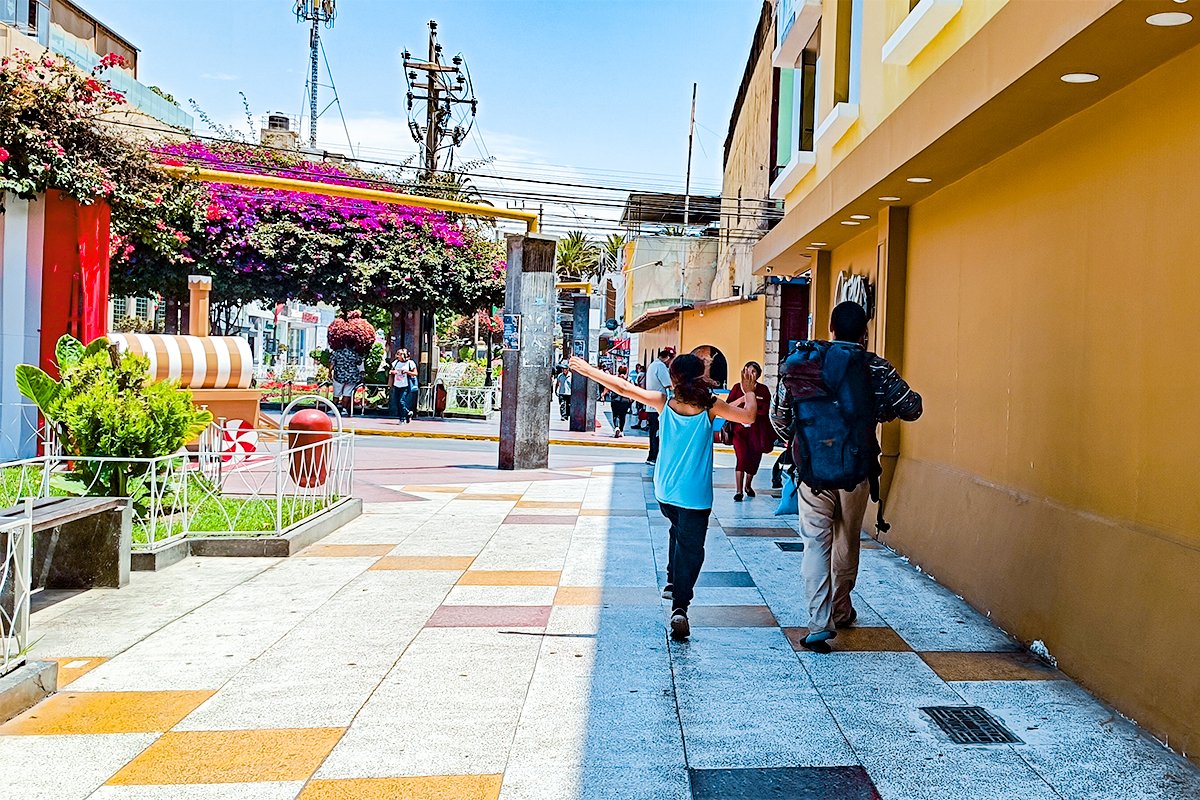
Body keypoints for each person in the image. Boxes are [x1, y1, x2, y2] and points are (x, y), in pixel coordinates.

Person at [569, 352, 757, 641]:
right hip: (695, 496)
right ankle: (680, 606)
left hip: (665, 492)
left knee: (677, 528)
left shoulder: (664, 401)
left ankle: (671, 579)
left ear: (673, 378)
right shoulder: (711, 406)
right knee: (691, 550)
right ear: (701, 376)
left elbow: (624, 388)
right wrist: (749, 392)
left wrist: (587, 370)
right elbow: (748, 417)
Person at [771, 301, 923, 653]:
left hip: (812, 472)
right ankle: (841, 608)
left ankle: (819, 622)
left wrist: (806, 442)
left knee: (815, 543)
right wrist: (876, 411)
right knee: (846, 541)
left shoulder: (803, 365)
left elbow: (780, 418)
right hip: (856, 471)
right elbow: (912, 408)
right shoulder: (876, 368)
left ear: (831, 328)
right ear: (865, 333)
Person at [726, 361, 773, 501]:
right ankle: (739, 490)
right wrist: (742, 399)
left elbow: (767, 409)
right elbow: (728, 406)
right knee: (741, 458)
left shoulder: (763, 390)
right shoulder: (737, 388)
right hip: (739, 431)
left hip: (756, 432)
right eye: (748, 371)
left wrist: (753, 403)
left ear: (758, 375)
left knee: (754, 459)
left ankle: (748, 485)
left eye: (754, 372)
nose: (750, 374)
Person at [643, 348, 674, 464]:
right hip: (659, 407)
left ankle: (652, 456)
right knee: (658, 433)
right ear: (667, 358)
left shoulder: (652, 365)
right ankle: (655, 457)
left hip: (651, 405)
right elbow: (669, 385)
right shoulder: (660, 366)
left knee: (653, 432)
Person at [329, 346, 363, 415]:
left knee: (336, 394)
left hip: (339, 376)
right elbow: (359, 362)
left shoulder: (337, 352)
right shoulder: (355, 353)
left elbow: (332, 363)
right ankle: (344, 410)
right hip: (352, 376)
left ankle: (333, 409)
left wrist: (329, 372)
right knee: (347, 393)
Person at [390, 348, 417, 424]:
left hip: (405, 385)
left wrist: (407, 372)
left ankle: (402, 418)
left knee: (401, 401)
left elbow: (415, 373)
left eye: (399, 354)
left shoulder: (410, 363)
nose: (398, 356)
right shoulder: (395, 363)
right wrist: (393, 372)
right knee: (397, 402)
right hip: (396, 384)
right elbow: (391, 371)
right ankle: (408, 413)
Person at [610, 366, 633, 438]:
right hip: (625, 400)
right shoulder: (629, 380)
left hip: (615, 399)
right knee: (623, 416)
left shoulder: (615, 378)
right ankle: (621, 431)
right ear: (626, 372)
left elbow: (608, 386)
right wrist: (632, 398)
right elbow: (633, 389)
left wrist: (603, 394)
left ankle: (616, 428)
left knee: (615, 415)